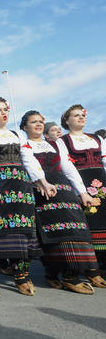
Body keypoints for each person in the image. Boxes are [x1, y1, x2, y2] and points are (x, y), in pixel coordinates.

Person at [21, 110, 104, 293]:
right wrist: (42, 182)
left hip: (64, 189)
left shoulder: (56, 144)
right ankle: (58, 274)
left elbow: (69, 168)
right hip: (43, 191)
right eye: (33, 122)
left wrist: (82, 192)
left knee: (76, 228)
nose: (38, 124)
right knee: (54, 234)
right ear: (25, 127)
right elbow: (29, 164)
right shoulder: (24, 145)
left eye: (40, 121)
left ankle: (70, 274)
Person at [0, 97, 46, 296]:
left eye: (5, 109)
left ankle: (24, 270)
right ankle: (19, 274)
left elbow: (28, 159)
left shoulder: (18, 135)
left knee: (26, 227)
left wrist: (42, 181)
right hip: (3, 184)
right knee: (10, 229)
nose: (3, 113)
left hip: (22, 185)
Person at [57, 105, 106, 273]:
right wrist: (81, 191)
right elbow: (67, 167)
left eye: (82, 115)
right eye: (76, 115)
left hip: (102, 181)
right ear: (67, 120)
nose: (81, 118)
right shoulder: (62, 141)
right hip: (80, 183)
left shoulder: (97, 139)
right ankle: (93, 265)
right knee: (89, 221)